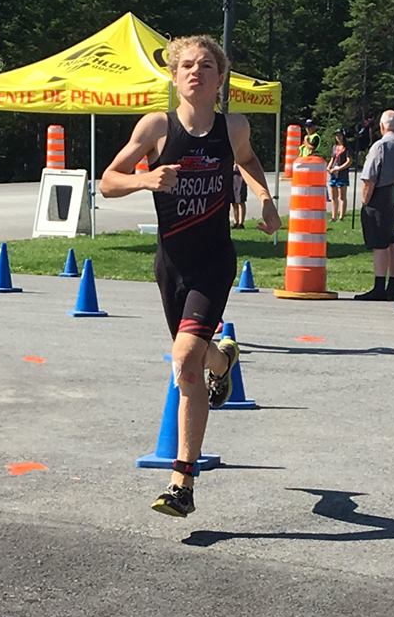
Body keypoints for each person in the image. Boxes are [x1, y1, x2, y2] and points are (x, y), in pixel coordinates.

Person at [100, 34, 280, 518]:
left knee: (182, 363)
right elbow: (107, 181)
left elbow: (246, 161)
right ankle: (223, 362)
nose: (195, 72)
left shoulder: (233, 126)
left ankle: (182, 481)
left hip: (214, 260)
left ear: (219, 78)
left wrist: (265, 197)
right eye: (187, 66)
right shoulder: (157, 127)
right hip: (171, 265)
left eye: (206, 65)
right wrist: (144, 179)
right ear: (175, 76)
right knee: (196, 362)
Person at [355, 109, 394, 301]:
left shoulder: (379, 147)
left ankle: (378, 286)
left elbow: (369, 178)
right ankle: (393, 287)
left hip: (381, 198)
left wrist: (365, 202)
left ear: (382, 126)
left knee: (380, 245)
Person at [326, 129, 352, 221]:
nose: (338, 137)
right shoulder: (334, 147)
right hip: (333, 173)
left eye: (340, 135)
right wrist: (329, 167)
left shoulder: (346, 147)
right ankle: (334, 216)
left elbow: (349, 161)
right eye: (336, 136)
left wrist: (339, 168)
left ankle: (341, 216)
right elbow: (332, 159)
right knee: (333, 196)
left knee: (342, 196)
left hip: (342, 173)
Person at [231, 163, 247, 228]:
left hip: (241, 182)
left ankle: (241, 223)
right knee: (234, 203)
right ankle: (236, 221)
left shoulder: (242, 162)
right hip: (232, 182)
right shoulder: (230, 162)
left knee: (241, 202)